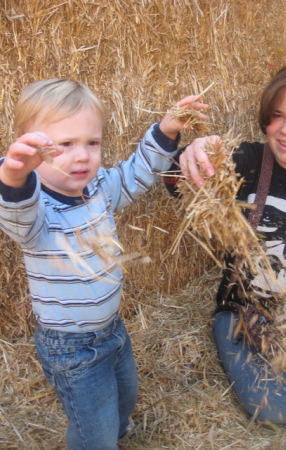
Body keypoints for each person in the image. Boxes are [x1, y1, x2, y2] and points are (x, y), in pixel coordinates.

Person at [0, 78, 208, 449]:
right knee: (94, 431)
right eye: (64, 145)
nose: (82, 156)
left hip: (112, 330)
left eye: (92, 143)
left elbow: (137, 173)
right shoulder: (37, 215)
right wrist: (14, 176)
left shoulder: (97, 189)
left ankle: (116, 431)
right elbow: (16, 213)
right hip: (71, 348)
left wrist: (166, 129)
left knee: (125, 399)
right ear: (33, 150)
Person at [166, 60, 286, 424]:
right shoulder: (249, 163)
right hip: (245, 314)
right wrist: (198, 150)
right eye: (277, 115)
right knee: (274, 408)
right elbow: (177, 181)